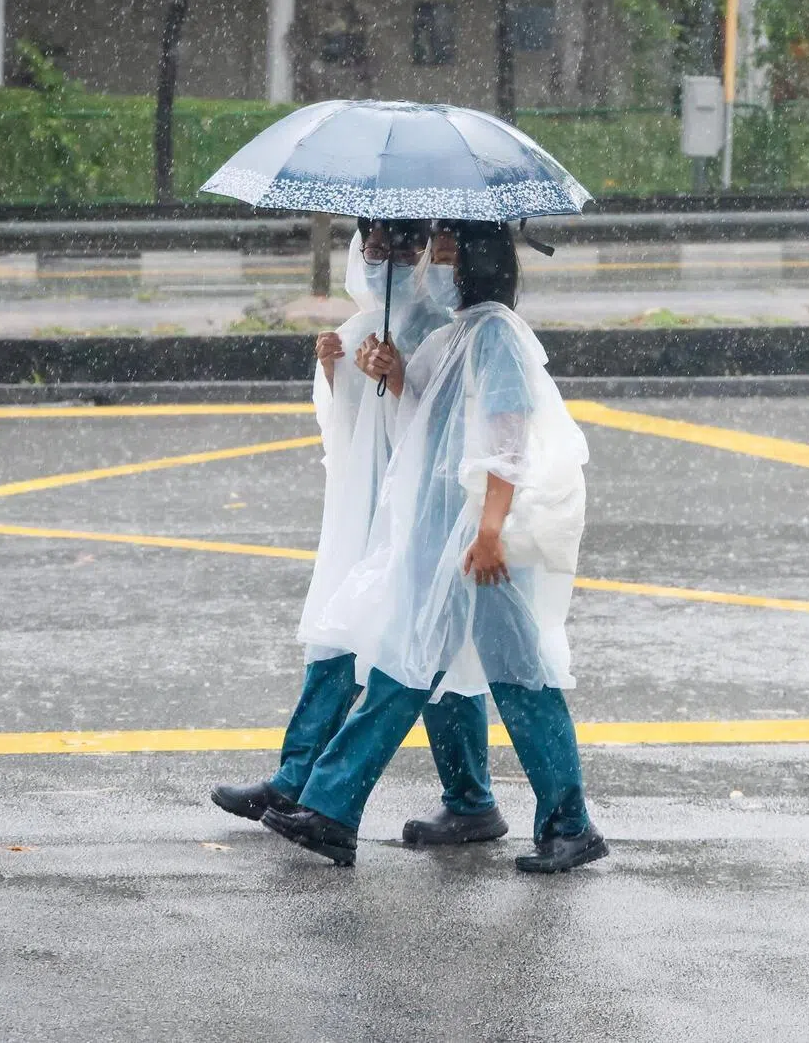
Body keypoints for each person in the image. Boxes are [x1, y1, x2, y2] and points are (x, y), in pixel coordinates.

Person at [262, 221, 608, 874]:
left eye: (446, 257)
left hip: (474, 540)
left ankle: (335, 808)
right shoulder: (460, 334)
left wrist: (487, 532)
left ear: (478, 264)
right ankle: (563, 823)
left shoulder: (497, 336)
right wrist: (391, 376)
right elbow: (436, 419)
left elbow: (507, 440)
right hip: (445, 531)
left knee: (446, 670)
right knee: (464, 670)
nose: (432, 269)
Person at [211, 219, 508, 847]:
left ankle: (468, 797)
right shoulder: (357, 326)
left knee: (427, 650)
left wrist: (400, 378)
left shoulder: (444, 328)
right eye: (372, 247)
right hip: (365, 509)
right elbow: (343, 429)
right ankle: (298, 779)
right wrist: (333, 372)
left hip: (417, 513)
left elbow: (447, 436)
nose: (384, 261)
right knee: (344, 637)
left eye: (400, 248)